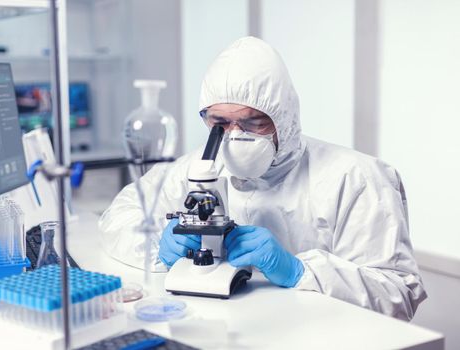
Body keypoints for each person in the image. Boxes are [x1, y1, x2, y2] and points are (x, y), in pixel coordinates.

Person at [99, 36, 426, 321]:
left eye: (254, 123)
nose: (236, 136)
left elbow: (398, 293)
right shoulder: (197, 168)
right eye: (220, 123)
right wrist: (158, 245)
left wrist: (300, 271)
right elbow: (119, 215)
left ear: (283, 118)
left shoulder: (355, 178)